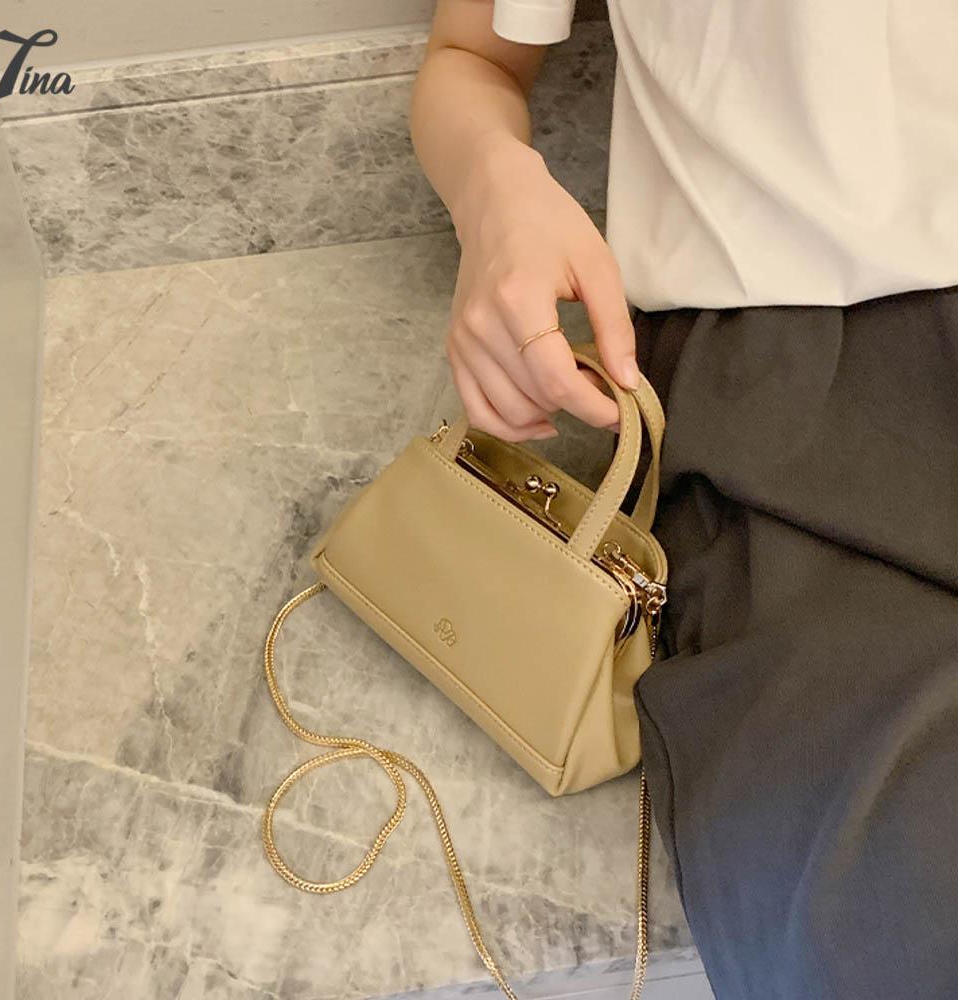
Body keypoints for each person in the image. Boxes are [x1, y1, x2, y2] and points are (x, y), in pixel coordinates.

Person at [408, 2, 958, 998]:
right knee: (886, 925)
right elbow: (471, 59)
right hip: (797, 375)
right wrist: (498, 196)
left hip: (801, 382)